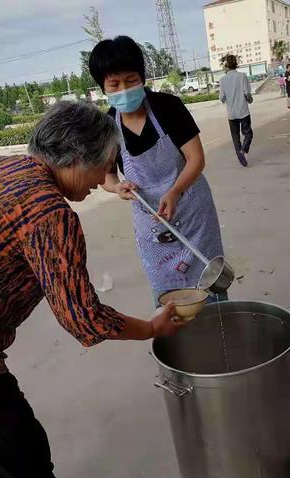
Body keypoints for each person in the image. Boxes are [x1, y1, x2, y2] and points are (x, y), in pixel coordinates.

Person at [0, 101, 184, 478]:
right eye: (105, 164)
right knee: (23, 460)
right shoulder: (49, 212)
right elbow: (83, 319)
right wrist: (151, 328)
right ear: (75, 157)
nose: (105, 176)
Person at [88, 36, 226, 303]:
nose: (124, 89)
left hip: (191, 211)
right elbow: (106, 175)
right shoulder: (106, 125)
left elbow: (195, 158)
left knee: (207, 281)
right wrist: (117, 187)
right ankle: (174, 341)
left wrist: (174, 192)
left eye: (131, 80)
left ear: (142, 78)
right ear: (103, 88)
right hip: (151, 222)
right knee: (167, 292)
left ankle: (218, 330)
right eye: (114, 84)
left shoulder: (167, 107)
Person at [218, 54, 254, 167]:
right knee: (248, 133)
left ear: (226, 66)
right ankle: (244, 149)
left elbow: (222, 98)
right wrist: (249, 100)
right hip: (243, 111)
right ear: (236, 64)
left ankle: (241, 158)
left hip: (231, 113)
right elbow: (247, 92)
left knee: (235, 137)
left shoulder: (222, 80)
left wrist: (228, 96)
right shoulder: (242, 76)